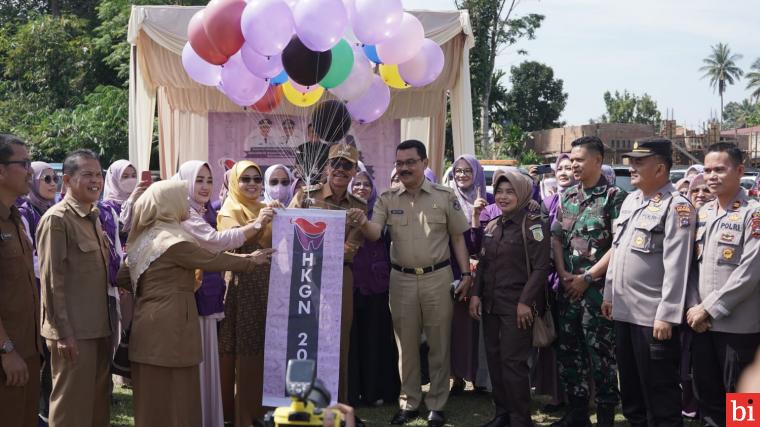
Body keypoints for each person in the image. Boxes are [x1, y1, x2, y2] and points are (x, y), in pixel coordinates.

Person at [117, 180, 273, 427]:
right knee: (179, 391)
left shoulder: (143, 237)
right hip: (172, 325)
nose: (187, 206)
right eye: (182, 199)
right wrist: (250, 260)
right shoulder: (173, 240)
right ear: (169, 204)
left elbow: (122, 277)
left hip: (146, 323)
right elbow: (211, 259)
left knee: (150, 392)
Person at [354, 140, 472, 427]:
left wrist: (466, 275)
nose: (404, 167)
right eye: (399, 163)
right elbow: (373, 233)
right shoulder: (387, 198)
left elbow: (458, 237)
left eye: (410, 162)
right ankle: (409, 403)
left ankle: (437, 404)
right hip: (401, 280)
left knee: (438, 343)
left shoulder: (444, 196)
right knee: (405, 346)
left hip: (438, 277)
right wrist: (360, 219)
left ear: (425, 162)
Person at [601, 138, 694, 427]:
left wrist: (667, 315)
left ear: (661, 168)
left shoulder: (677, 206)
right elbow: (619, 251)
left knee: (660, 396)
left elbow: (677, 267)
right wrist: (609, 294)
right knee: (631, 393)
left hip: (652, 318)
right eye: (631, 160)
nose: (632, 166)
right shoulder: (631, 200)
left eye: (640, 161)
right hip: (624, 313)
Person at [172, 161, 263, 427]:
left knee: (209, 357)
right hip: (193, 296)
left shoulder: (203, 211)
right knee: (198, 360)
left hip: (209, 296)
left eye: (209, 180)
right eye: (198, 180)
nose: (204, 186)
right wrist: (258, 226)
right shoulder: (185, 214)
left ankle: (209, 416)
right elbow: (217, 243)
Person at [551, 136, 626, 427]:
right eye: (571, 159)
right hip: (568, 291)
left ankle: (606, 416)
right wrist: (563, 272)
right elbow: (557, 237)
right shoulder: (568, 196)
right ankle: (577, 413)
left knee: (602, 358)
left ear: (598, 160)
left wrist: (586, 277)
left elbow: (618, 246)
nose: (573, 165)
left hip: (596, 295)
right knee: (570, 355)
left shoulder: (614, 198)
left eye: (579, 159)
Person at [686, 143, 760, 427]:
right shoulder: (702, 213)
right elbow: (692, 267)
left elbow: (750, 272)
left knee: (743, 404)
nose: (712, 176)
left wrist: (709, 308)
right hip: (702, 325)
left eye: (720, 169)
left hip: (738, 328)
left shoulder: (753, 215)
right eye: (707, 170)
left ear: (740, 171)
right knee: (709, 398)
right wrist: (695, 306)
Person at [469, 168, 550, 427]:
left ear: (523, 193)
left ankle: (519, 419)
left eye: (510, 192)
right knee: (494, 360)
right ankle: (502, 414)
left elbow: (540, 268)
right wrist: (475, 295)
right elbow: (482, 264)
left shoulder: (534, 223)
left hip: (517, 307)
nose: (503, 197)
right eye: (499, 192)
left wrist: (526, 302)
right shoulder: (493, 224)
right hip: (491, 304)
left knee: (513, 363)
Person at [36, 149, 112, 427]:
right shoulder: (57, 220)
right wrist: (63, 333)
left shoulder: (93, 217)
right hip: (74, 335)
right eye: (87, 175)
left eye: (99, 174)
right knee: (71, 408)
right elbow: (52, 281)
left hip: (99, 329)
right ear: (67, 180)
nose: (96, 180)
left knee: (96, 407)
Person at [289, 143, 368, 403]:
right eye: (336, 163)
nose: (341, 170)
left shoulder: (358, 206)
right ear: (326, 166)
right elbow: (287, 233)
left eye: (347, 165)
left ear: (355, 171)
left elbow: (350, 251)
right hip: (304, 276)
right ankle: (300, 401)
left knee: (337, 342)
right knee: (303, 338)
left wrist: (313, 243)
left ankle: (337, 403)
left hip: (339, 278)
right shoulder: (305, 196)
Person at [217, 160, 281, 426]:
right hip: (243, 288)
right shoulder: (229, 210)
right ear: (234, 182)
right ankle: (244, 414)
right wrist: (259, 222)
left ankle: (266, 411)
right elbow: (233, 242)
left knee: (268, 348)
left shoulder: (266, 208)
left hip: (270, 287)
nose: (252, 184)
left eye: (257, 179)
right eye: (246, 179)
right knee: (246, 349)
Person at [347, 170, 400, 406]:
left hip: (377, 284)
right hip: (349, 283)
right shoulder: (341, 211)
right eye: (356, 184)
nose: (361, 188)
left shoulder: (381, 211)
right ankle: (354, 391)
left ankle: (376, 391)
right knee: (353, 339)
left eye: (366, 184)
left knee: (376, 337)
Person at [0, 134, 42, 427]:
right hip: (7, 355)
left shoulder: (16, 219)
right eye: (23, 163)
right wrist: (6, 350)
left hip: (28, 351)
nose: (30, 170)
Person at [533, 154, 576, 413]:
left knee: (575, 343)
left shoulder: (585, 201)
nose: (563, 171)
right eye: (559, 167)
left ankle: (579, 397)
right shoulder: (548, 201)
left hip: (577, 280)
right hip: (550, 279)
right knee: (553, 339)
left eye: (569, 167)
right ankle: (557, 395)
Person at [15, 161, 57, 424]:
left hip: (54, 286)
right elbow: (29, 257)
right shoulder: (23, 211)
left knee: (51, 350)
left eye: (55, 179)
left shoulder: (56, 210)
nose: (53, 184)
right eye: (47, 178)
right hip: (36, 287)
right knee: (39, 348)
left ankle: (46, 406)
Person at [447, 154, 491, 394]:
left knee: (478, 328)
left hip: (483, 274)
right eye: (457, 170)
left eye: (467, 170)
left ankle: (479, 377)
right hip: (455, 272)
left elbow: (479, 245)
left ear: (477, 173)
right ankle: (456, 377)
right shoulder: (448, 200)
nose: (462, 175)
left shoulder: (490, 201)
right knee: (457, 328)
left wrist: (475, 216)